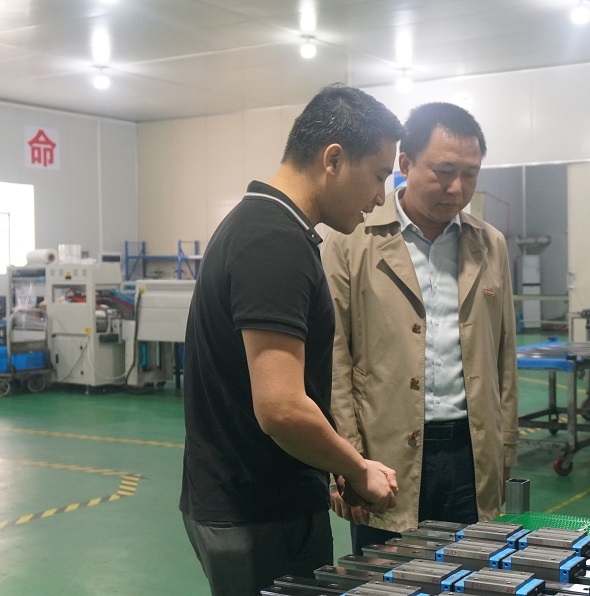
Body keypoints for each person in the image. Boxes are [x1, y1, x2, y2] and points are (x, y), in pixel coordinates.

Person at [180, 84, 403, 595]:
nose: (379, 197)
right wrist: (357, 467)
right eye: (378, 176)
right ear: (333, 159)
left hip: (253, 500)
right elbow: (281, 407)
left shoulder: (263, 225)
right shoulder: (274, 242)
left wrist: (331, 464)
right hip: (257, 514)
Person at [322, 102, 518, 554]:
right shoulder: (352, 240)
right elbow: (335, 360)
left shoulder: (489, 244)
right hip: (385, 455)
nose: (457, 188)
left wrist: (505, 447)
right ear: (406, 164)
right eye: (444, 172)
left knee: (473, 571)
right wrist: (347, 461)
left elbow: (504, 355)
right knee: (386, 575)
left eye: (470, 174)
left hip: (471, 453)